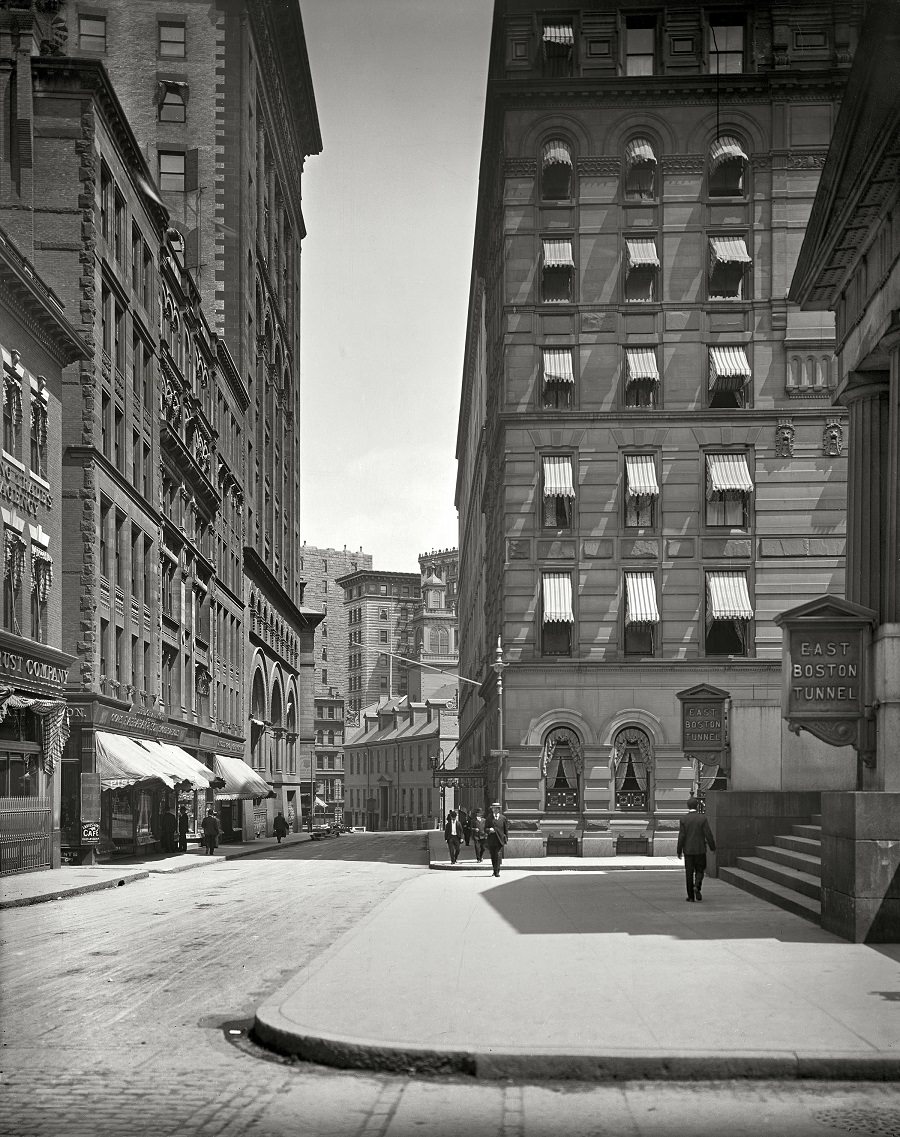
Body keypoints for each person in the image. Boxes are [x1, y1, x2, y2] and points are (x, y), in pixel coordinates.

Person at [677, 797, 717, 902]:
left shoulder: (684, 819)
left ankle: (690, 896)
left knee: (689, 873)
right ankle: (697, 885)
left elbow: (681, 836)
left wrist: (679, 850)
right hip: (700, 850)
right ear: (697, 806)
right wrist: (712, 847)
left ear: (688, 806)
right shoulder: (702, 818)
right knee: (700, 870)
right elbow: (708, 834)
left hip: (688, 850)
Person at [485, 801, 508, 877]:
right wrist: (489, 830)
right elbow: (485, 829)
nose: (494, 810)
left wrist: (506, 838)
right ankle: (494, 870)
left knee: (498, 855)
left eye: (496, 809)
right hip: (491, 840)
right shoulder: (489, 818)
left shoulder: (503, 818)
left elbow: (505, 829)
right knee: (493, 856)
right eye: (493, 809)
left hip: (499, 840)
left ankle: (497, 871)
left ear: (498, 810)